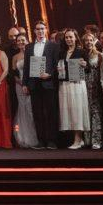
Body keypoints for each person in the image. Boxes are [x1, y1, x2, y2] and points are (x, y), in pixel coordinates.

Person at [23, 21, 60, 149]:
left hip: (48, 83)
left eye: (42, 29)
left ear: (46, 30)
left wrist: (49, 74)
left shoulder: (53, 46)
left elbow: (57, 65)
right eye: (38, 29)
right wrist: (24, 83)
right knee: (37, 113)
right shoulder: (29, 47)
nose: (40, 31)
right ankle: (41, 140)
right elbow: (26, 66)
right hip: (34, 84)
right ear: (34, 31)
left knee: (51, 113)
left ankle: (52, 141)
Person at [57, 29, 90, 149]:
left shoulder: (82, 51)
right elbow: (60, 68)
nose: (69, 39)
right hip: (65, 84)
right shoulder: (62, 53)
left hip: (77, 84)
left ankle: (78, 139)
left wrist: (85, 65)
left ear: (76, 38)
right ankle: (78, 140)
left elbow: (88, 69)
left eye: (71, 37)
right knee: (69, 112)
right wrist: (58, 68)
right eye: (66, 37)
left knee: (77, 111)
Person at [10, 31, 38, 149]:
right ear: (16, 43)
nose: (21, 42)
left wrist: (28, 84)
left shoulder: (34, 54)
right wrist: (22, 84)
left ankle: (35, 137)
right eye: (19, 41)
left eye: (23, 40)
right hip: (19, 86)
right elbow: (14, 74)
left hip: (33, 85)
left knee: (31, 109)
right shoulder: (15, 57)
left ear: (27, 41)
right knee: (22, 109)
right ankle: (21, 136)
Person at [81, 31, 103, 150]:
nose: (89, 42)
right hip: (83, 85)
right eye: (86, 40)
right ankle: (87, 140)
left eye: (91, 40)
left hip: (95, 85)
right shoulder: (81, 54)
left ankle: (97, 140)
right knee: (86, 111)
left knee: (96, 112)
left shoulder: (99, 55)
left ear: (94, 41)